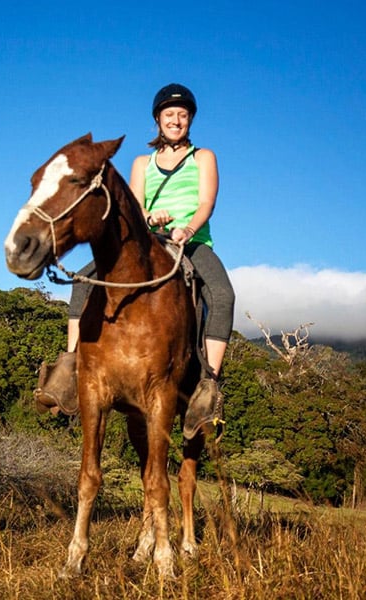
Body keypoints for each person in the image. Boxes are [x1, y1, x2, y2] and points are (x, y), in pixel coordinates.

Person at [36, 83, 236, 439]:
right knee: (84, 281)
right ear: (158, 120)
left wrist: (188, 229)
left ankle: (209, 387)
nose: (176, 120)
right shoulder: (142, 162)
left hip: (191, 242)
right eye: (169, 114)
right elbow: (135, 206)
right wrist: (149, 220)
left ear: (189, 120)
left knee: (222, 296)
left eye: (182, 115)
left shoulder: (203, 157)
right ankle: (68, 365)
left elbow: (207, 201)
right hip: (147, 241)